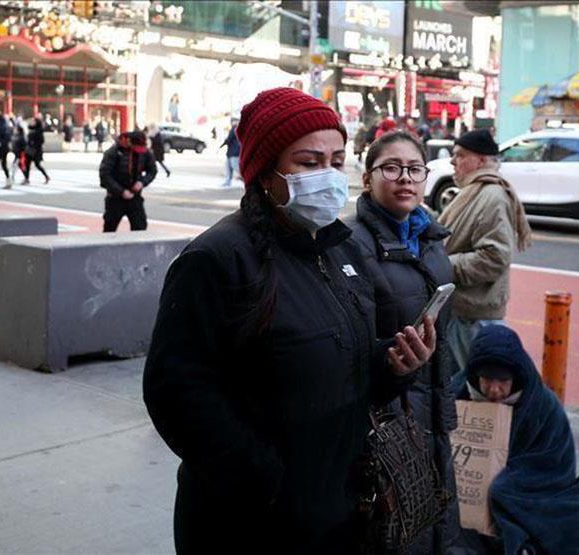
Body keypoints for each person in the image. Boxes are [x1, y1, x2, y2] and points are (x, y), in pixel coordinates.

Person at [142, 87, 437, 554]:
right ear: (265, 172)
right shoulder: (216, 259)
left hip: (339, 510)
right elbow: (177, 393)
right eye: (308, 161)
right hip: (249, 522)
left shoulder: (340, 247)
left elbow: (345, 364)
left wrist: (394, 365)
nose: (328, 176)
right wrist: (266, 479)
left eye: (337, 161)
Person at [346, 130, 459, 554]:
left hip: (431, 405)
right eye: (391, 168)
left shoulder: (431, 240)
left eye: (414, 169)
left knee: (434, 512)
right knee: (394, 522)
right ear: (367, 178)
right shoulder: (351, 244)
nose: (405, 179)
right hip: (387, 412)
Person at [453, 325, 579, 555]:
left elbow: (555, 463)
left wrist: (505, 482)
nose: (494, 390)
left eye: (503, 381)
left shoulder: (543, 405)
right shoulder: (457, 392)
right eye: (487, 380)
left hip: (533, 489)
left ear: (515, 376)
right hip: (473, 493)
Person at [437, 129, 532, 375]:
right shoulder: (476, 192)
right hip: (464, 313)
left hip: (473, 317)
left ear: (480, 160)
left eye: (459, 155)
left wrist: (442, 265)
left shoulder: (492, 196)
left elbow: (494, 257)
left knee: (468, 388)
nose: (452, 161)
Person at [99, 130, 157, 232]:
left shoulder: (145, 152)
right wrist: (121, 191)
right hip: (115, 197)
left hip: (135, 196)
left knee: (140, 227)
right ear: (129, 142)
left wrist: (142, 182)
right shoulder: (114, 152)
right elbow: (105, 175)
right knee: (110, 228)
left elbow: (152, 170)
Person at [23, 117, 50, 184]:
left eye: (33, 121)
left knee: (37, 165)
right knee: (27, 164)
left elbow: (41, 141)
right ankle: (26, 178)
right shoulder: (30, 129)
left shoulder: (39, 130)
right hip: (29, 149)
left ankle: (46, 176)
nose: (32, 123)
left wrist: (34, 144)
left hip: (36, 150)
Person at [220, 117, 240, 187]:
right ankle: (227, 181)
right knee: (228, 167)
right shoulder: (235, 129)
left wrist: (223, 144)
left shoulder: (235, 129)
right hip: (231, 152)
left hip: (234, 152)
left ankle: (245, 178)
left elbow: (229, 139)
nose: (233, 122)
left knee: (235, 166)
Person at [10, 118, 27, 184]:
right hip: (17, 154)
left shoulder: (20, 137)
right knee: (18, 165)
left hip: (20, 154)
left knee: (17, 165)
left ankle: (13, 177)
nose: (14, 130)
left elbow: (22, 147)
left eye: (16, 129)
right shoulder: (17, 136)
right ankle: (13, 177)